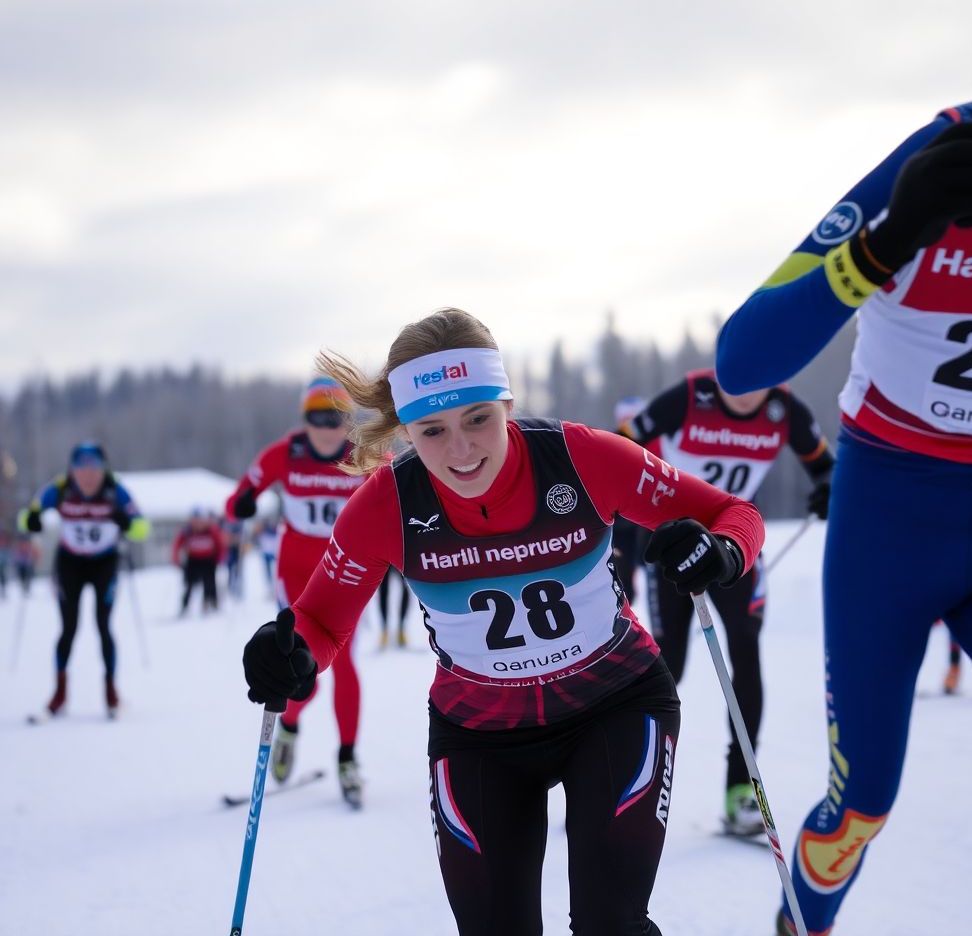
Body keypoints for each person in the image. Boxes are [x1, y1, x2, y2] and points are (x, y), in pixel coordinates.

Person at [241, 307, 765, 936]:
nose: (461, 450)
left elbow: (733, 514)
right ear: (404, 430)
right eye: (432, 431)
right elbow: (320, 621)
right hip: (479, 734)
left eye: (478, 419)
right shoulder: (384, 505)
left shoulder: (580, 457)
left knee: (611, 925)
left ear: (507, 403)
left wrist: (721, 551)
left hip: (615, 704)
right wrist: (289, 653)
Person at [715, 75, 972, 936]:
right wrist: (882, 245)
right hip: (893, 520)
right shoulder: (964, 147)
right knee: (861, 807)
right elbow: (743, 358)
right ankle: (801, 925)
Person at [622, 367, 833, 836]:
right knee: (668, 664)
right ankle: (622, 781)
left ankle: (741, 789)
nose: (745, 388)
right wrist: (622, 535)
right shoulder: (688, 396)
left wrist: (828, 488)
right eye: (735, 372)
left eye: (759, 373)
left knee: (746, 652)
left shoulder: (785, 410)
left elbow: (825, 465)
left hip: (734, 545)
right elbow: (618, 448)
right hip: (671, 548)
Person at [227, 377, 370, 807]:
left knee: (345, 663)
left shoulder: (364, 455)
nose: (327, 429)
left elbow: (406, 486)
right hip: (296, 573)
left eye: (336, 419)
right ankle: (289, 726)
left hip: (346, 572)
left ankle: (347, 758)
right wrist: (244, 503)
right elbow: (237, 499)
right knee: (297, 665)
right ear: (305, 420)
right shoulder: (285, 454)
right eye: (317, 418)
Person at [17, 442, 150, 717]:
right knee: (68, 628)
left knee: (103, 625)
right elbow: (26, 515)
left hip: (104, 563)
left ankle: (111, 693)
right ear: (72, 471)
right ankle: (59, 693)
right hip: (70, 564)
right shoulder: (60, 488)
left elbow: (143, 528)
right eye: (81, 469)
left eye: (94, 469)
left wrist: (127, 522)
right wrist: (31, 520)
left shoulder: (115, 490)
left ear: (104, 470)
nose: (88, 476)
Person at [608, 396, 649, 606]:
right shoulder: (611, 444)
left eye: (633, 419)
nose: (629, 426)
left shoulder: (654, 443)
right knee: (624, 585)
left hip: (646, 524)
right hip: (621, 525)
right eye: (625, 420)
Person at [172, 508, 225, 615]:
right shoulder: (187, 531)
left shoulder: (211, 530)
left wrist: (219, 558)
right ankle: (184, 606)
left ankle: (210, 603)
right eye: (194, 520)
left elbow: (220, 544)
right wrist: (176, 558)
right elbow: (177, 545)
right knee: (189, 584)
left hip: (208, 560)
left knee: (209, 582)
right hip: (193, 560)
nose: (197, 523)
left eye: (199, 520)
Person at [376, 564, 412, 649]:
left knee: (406, 587)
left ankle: (401, 628)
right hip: (384, 558)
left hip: (402, 557)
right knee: (383, 589)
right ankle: (384, 629)